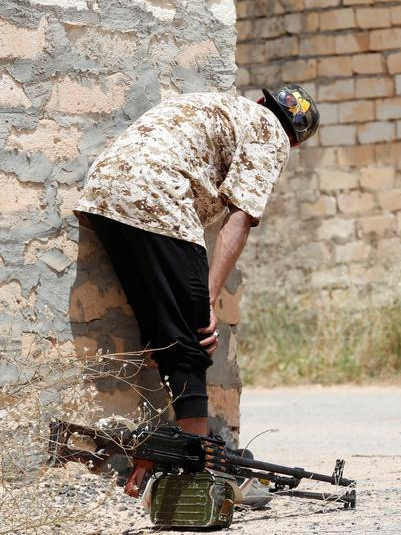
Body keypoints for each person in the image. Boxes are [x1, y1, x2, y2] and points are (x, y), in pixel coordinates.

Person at [75, 85, 319, 437]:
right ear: (294, 143)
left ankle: (157, 449)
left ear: (262, 100)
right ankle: (197, 451)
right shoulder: (272, 133)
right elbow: (239, 218)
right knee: (195, 328)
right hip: (157, 195)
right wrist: (208, 298)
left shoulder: (220, 105)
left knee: (163, 326)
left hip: (104, 192)